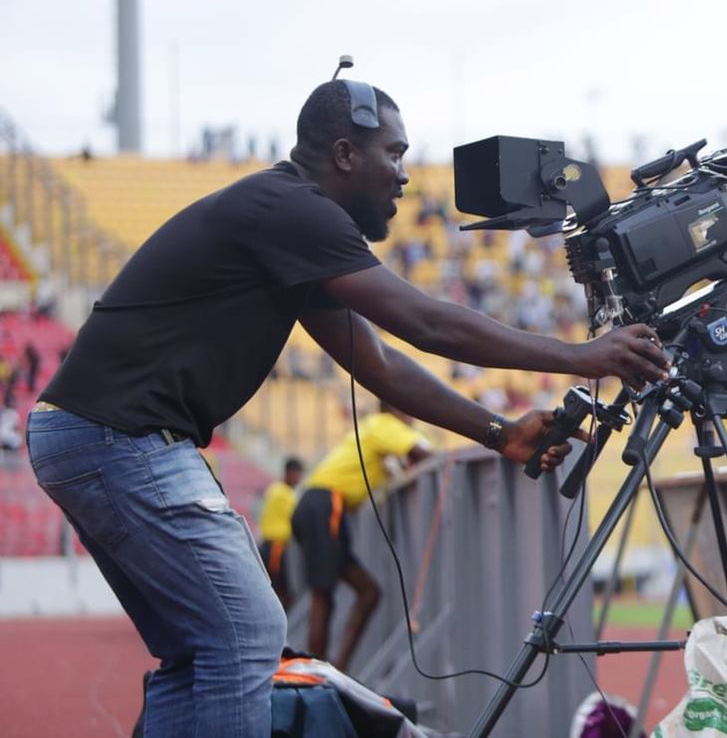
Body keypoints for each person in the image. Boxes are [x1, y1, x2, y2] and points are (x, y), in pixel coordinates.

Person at [26, 78, 669, 737]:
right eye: (393, 154)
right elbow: (425, 323)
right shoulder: (294, 211)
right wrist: (581, 356)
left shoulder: (286, 227)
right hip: (117, 436)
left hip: (98, 435)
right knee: (247, 629)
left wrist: (499, 431)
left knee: (201, 648)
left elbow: (381, 365)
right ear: (343, 154)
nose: (402, 178)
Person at [292, 401, 432, 670]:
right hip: (325, 506)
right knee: (323, 595)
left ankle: (334, 666)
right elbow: (422, 451)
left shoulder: (373, 430)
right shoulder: (385, 424)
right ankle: (315, 673)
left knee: (368, 592)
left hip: (323, 507)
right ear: (396, 408)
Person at [257, 456, 305, 611]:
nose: (299, 479)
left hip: (271, 546)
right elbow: (297, 518)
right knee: (279, 593)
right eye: (298, 474)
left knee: (279, 591)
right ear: (290, 473)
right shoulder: (284, 494)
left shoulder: (275, 489)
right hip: (275, 548)